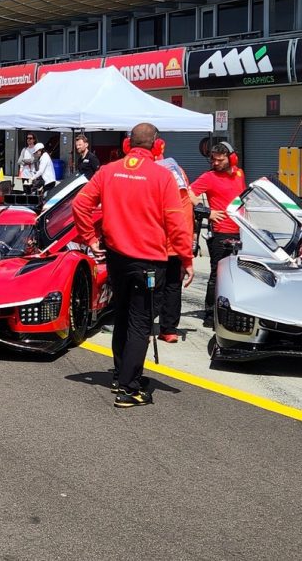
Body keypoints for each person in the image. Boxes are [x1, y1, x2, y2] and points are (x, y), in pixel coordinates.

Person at [72, 123, 193, 409]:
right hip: (149, 262)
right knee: (140, 322)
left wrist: (90, 238)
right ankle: (129, 389)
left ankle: (119, 374)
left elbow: (80, 205)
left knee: (123, 316)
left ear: (128, 145)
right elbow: (177, 223)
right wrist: (187, 259)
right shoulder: (163, 176)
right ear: (157, 145)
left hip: (116, 259)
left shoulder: (108, 171)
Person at [189, 141, 247, 327]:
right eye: (213, 159)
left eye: (219, 160)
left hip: (240, 231)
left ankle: (230, 309)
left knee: (237, 274)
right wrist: (207, 212)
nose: (215, 163)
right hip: (221, 234)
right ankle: (209, 313)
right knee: (217, 274)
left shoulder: (239, 173)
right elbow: (187, 193)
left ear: (231, 158)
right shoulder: (209, 177)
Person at [155, 149, 194, 343]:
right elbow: (188, 204)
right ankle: (169, 329)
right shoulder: (178, 169)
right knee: (172, 285)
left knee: (150, 286)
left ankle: (142, 329)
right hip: (178, 240)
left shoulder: (152, 173)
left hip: (156, 242)